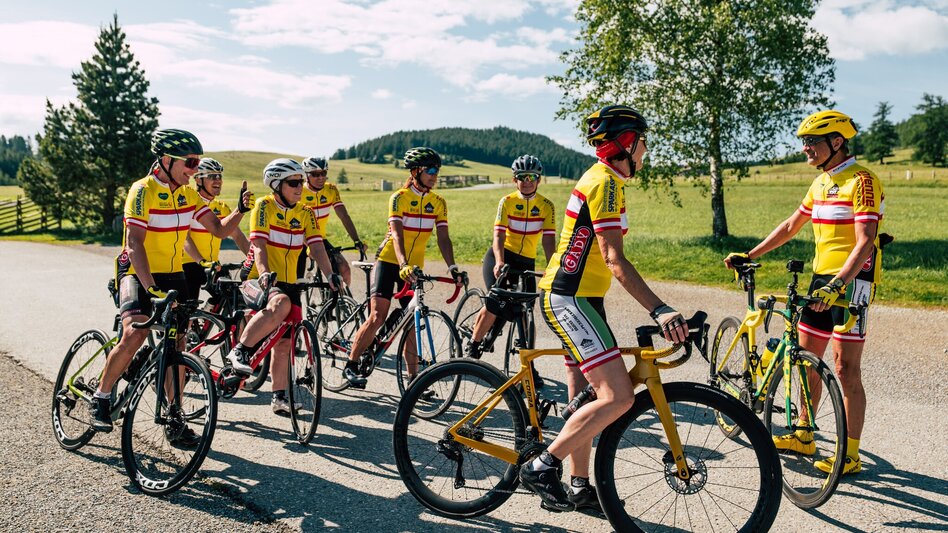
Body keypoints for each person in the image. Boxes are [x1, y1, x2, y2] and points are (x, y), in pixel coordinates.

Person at [519, 105, 688, 512]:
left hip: (580, 297)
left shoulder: (606, 181)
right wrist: (659, 309)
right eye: (643, 143)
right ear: (628, 144)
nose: (646, 152)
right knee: (619, 396)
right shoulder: (606, 183)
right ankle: (542, 467)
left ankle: (578, 485)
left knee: (590, 396)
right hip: (570, 298)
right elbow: (614, 257)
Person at [724, 110, 884, 475]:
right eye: (804, 142)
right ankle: (803, 433)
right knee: (805, 361)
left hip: (851, 284)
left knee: (845, 369)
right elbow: (790, 226)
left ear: (837, 142)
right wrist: (749, 254)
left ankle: (850, 455)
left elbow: (865, 242)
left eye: (811, 141)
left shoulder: (862, 182)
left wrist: (839, 284)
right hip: (820, 278)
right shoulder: (821, 183)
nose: (805, 148)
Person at [90, 129, 253, 440]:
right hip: (138, 272)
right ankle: (101, 397)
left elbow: (218, 231)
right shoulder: (143, 190)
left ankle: (173, 416)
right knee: (136, 332)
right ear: (166, 160)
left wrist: (240, 211)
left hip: (173, 273)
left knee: (177, 344)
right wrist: (152, 290)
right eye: (190, 163)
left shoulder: (188, 194)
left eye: (197, 164)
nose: (195, 171)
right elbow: (135, 243)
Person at [341, 147, 465, 388]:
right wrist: (403, 264)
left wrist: (453, 268)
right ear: (416, 171)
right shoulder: (399, 197)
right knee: (378, 315)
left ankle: (414, 379)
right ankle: (352, 363)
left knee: (411, 318)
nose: (434, 175)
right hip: (389, 261)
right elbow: (397, 236)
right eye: (430, 170)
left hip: (413, 267)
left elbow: (443, 239)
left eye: (436, 171)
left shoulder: (438, 202)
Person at [225, 158, 338, 415]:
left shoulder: (305, 212)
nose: (301, 187)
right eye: (293, 182)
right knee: (281, 304)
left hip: (289, 282)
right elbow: (259, 247)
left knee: (285, 341)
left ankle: (279, 396)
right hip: (257, 277)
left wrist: (331, 274)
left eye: (301, 181)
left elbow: (317, 246)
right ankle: (240, 351)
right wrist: (264, 273)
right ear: (276, 184)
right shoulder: (264, 206)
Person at [464, 154, 556, 386]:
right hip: (502, 257)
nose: (527, 181)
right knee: (495, 304)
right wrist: (498, 260)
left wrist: (552, 266)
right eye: (522, 177)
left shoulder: (546, 206)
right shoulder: (506, 202)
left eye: (532, 177)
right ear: (515, 180)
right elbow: (499, 235)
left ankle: (529, 367)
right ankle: (473, 347)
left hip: (526, 263)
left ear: (538, 179)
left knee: (526, 314)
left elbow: (548, 240)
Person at [182, 157, 251, 301]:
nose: (217, 180)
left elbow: (238, 237)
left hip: (213, 265)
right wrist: (201, 261)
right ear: (199, 180)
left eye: (219, 176)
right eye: (212, 176)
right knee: (185, 313)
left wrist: (256, 260)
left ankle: (210, 317)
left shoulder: (221, 208)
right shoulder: (186, 202)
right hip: (188, 264)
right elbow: (184, 238)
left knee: (235, 301)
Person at [298, 156, 366, 285]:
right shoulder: (298, 191)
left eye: (323, 173)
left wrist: (356, 240)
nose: (321, 178)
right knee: (297, 282)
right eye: (315, 174)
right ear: (306, 175)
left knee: (344, 268)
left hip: (319, 238)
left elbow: (343, 215)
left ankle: (342, 301)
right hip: (298, 239)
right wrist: (308, 245)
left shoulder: (331, 190)